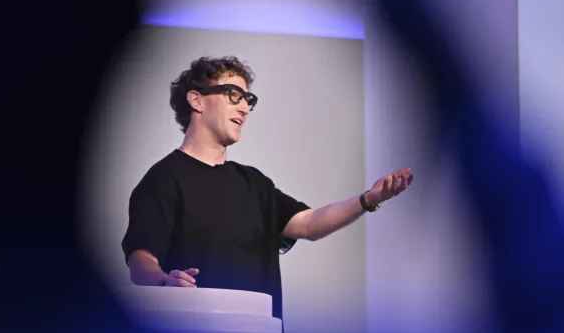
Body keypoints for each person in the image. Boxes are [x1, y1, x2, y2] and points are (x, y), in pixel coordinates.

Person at [121, 55, 413, 319]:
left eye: (248, 99)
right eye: (233, 94)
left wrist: (368, 199)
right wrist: (163, 282)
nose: (245, 108)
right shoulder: (164, 178)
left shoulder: (255, 183)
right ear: (197, 101)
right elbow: (141, 259)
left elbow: (309, 223)